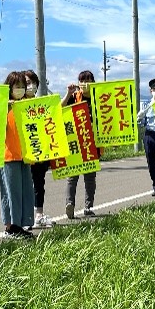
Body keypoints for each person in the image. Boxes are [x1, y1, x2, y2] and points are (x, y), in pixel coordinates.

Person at [0, 71, 34, 238]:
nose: (20, 89)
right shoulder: (2, 105)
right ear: (9, 87)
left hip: (24, 156)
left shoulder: (26, 105)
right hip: (8, 156)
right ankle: (11, 227)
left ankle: (19, 226)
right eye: (16, 86)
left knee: (24, 191)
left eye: (22, 86)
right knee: (10, 193)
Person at [61, 70, 100, 216]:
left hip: (93, 143)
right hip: (76, 142)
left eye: (88, 80)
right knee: (73, 176)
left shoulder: (99, 97)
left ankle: (88, 207)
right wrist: (68, 93)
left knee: (90, 177)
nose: (85, 83)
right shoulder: (75, 96)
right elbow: (60, 108)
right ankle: (69, 203)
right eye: (82, 81)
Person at [24, 69, 54, 228]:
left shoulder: (40, 104)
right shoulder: (15, 104)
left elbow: (55, 112)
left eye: (32, 83)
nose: (29, 86)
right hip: (22, 154)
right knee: (24, 186)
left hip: (40, 151)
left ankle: (38, 216)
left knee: (39, 184)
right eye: (26, 83)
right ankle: (23, 219)